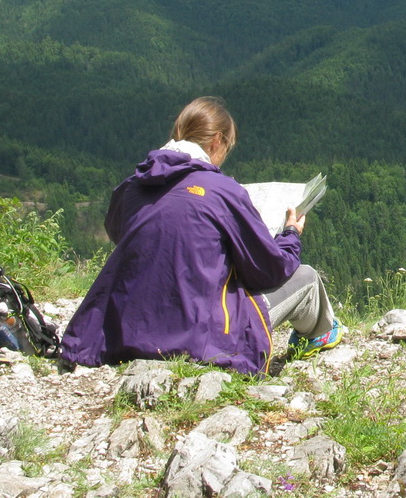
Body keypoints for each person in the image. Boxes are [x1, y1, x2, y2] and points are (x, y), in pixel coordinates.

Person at [61, 97, 341, 373]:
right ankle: (319, 335)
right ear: (216, 141)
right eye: (227, 147)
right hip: (199, 340)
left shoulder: (131, 187)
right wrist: (290, 234)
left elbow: (120, 234)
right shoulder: (222, 190)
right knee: (306, 277)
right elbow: (270, 271)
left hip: (123, 332)